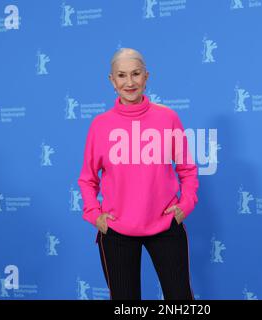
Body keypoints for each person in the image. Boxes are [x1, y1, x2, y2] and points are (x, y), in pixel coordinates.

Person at [77, 48, 199, 300]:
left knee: (180, 300)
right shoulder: (100, 125)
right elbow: (88, 178)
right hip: (117, 231)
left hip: (165, 225)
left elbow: (187, 169)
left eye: (136, 74)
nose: (129, 82)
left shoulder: (168, 118)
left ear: (146, 76)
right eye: (121, 75)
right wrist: (94, 214)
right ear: (112, 80)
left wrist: (185, 205)